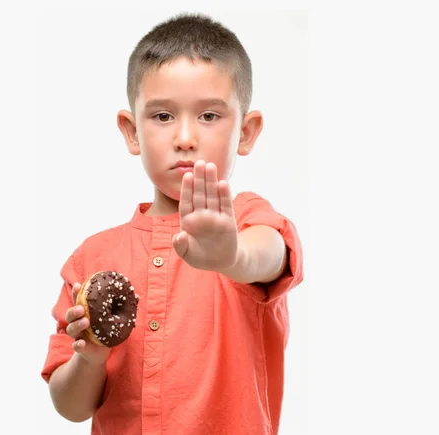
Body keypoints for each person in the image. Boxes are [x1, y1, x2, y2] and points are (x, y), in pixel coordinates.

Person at [41, 12, 304, 435]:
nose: (184, 136)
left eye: (209, 116)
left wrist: (232, 255)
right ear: (131, 131)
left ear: (246, 132)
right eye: (162, 116)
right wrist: (89, 356)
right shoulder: (92, 256)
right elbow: (70, 408)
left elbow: (269, 256)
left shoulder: (250, 221)